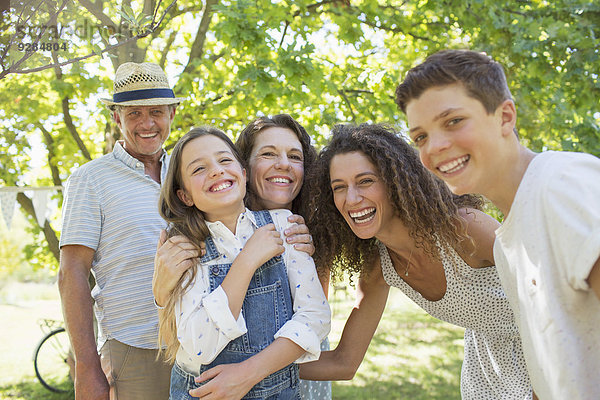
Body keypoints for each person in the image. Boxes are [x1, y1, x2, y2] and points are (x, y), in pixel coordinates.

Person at [395, 49, 600, 399]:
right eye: (421, 137)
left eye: (453, 121)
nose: (436, 147)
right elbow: (550, 370)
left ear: (505, 117)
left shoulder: (561, 186)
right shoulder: (506, 245)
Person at [300, 123, 532, 399]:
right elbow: (344, 362)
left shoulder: (462, 228)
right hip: (489, 373)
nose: (352, 199)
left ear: (395, 183)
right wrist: (256, 366)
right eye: (339, 187)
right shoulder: (380, 267)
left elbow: (554, 295)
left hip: (551, 352)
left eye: (365, 181)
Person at [153, 114, 332, 399]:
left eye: (225, 161)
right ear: (184, 195)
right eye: (199, 168)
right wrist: (247, 261)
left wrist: (250, 371)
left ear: (243, 173)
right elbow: (201, 346)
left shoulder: (285, 224)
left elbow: (316, 317)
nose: (215, 171)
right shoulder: (185, 248)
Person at [58, 62, 183, 400]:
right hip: (136, 349)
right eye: (133, 113)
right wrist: (86, 368)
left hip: (204, 344)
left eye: (156, 111)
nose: (146, 123)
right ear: (116, 117)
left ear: (173, 112)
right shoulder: (90, 179)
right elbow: (72, 273)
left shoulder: (189, 172)